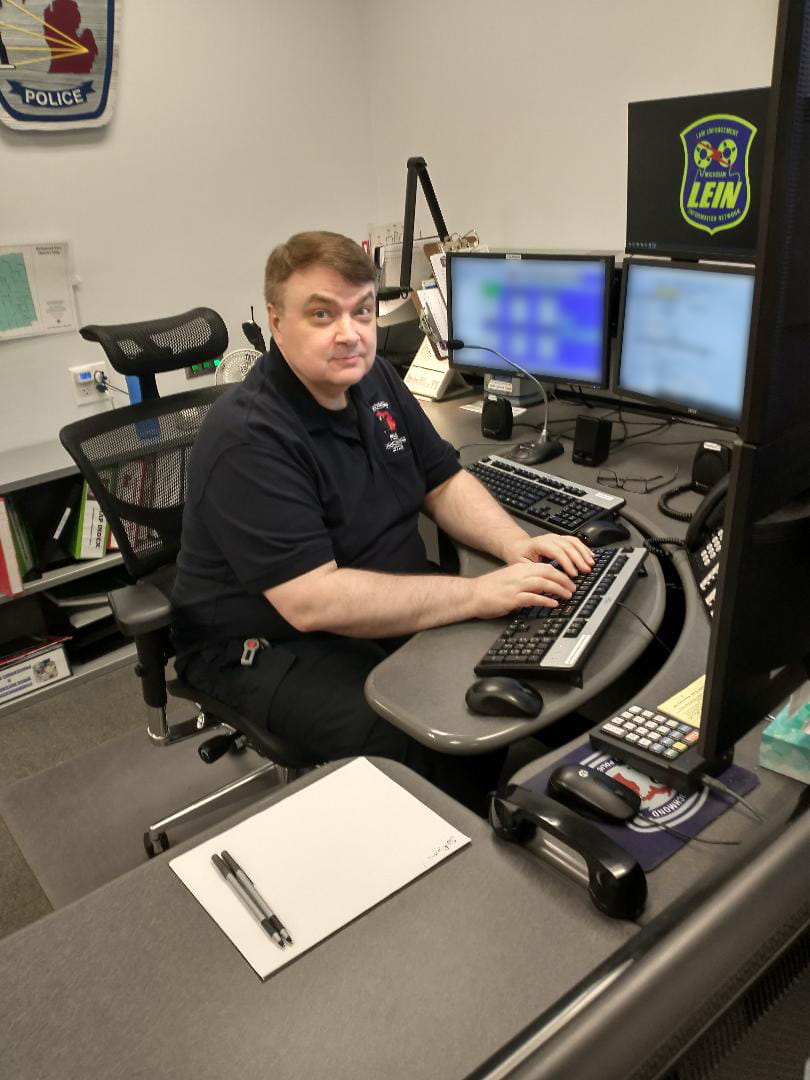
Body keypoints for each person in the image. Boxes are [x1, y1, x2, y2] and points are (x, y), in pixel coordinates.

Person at [171, 230, 593, 813]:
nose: (349, 332)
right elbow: (313, 600)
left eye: (362, 311)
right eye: (322, 314)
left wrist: (517, 547)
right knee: (420, 743)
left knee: (493, 675)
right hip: (264, 643)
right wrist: (474, 593)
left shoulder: (373, 379)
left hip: (374, 600)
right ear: (276, 320)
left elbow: (441, 480)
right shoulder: (249, 436)